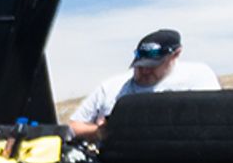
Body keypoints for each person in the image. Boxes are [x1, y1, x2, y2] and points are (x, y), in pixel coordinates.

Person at [68, 29, 219, 141]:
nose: (145, 70)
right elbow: (72, 126)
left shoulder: (198, 77)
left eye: (153, 65)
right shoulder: (110, 87)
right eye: (140, 66)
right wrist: (99, 132)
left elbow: (213, 122)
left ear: (175, 55)